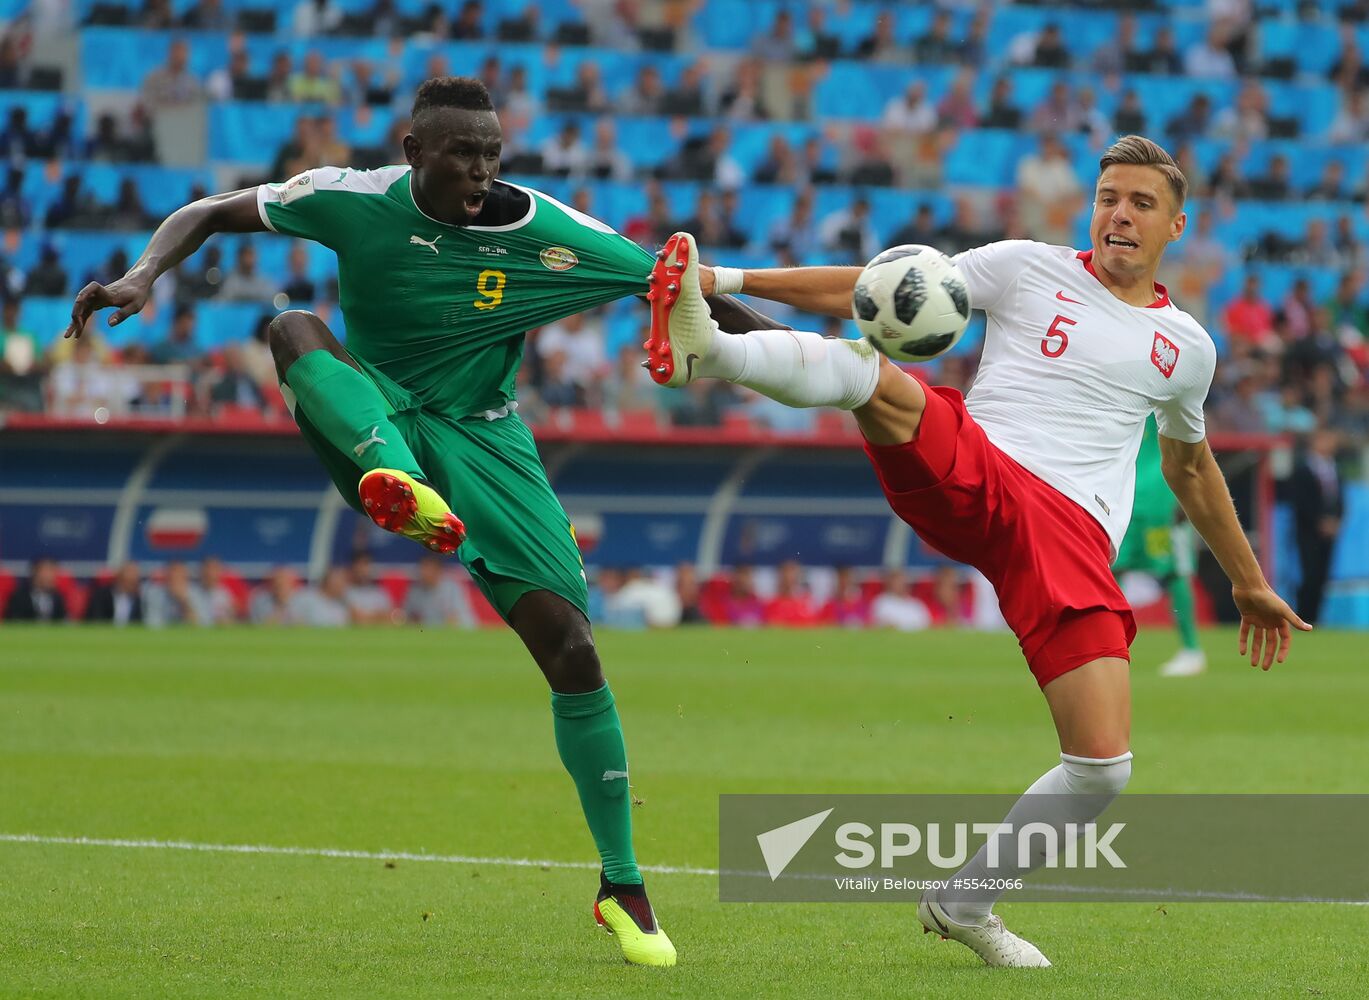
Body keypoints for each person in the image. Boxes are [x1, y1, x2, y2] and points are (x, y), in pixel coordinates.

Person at [62, 74, 766, 970]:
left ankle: (621, 888)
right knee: (292, 326)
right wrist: (141, 273)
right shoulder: (347, 199)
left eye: (491, 153)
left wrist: (823, 375)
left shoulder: (551, 232)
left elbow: (687, 294)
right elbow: (207, 210)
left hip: (484, 441)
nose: (479, 169)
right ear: (413, 153)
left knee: (575, 653)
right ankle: (390, 474)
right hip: (375, 411)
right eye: (461, 151)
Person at [642, 135, 1309, 967]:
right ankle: (712, 350)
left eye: (1140, 203)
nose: (1119, 215)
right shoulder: (1027, 266)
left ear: (1178, 224)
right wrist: (723, 282)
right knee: (871, 372)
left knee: (1102, 770)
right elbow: (874, 290)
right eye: (1107, 197)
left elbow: (1190, 465)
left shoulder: (1187, 348)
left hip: (1068, 540)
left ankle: (961, 903)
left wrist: (1247, 581)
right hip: (982, 470)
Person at [1113, 417, 1205, 677]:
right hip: (1123, 499)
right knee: (1111, 570)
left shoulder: (1161, 387)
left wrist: (1184, 493)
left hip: (1158, 504)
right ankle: (1111, 647)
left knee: (1172, 570)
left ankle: (1191, 649)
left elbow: (1188, 437)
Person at [1288, 427, 1343, 625]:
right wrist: (1319, 521)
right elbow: (1301, 501)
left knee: (1322, 576)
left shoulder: (1334, 467)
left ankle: (1316, 619)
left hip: (1329, 533)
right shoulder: (1303, 468)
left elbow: (1339, 500)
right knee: (1309, 574)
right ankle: (1303, 616)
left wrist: (1336, 521)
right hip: (1309, 532)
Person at [3, 557, 68, 622]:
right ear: (35, 572)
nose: (51, 576)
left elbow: (63, 620)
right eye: (47, 571)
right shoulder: (20, 596)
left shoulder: (57, 597)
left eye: (54, 572)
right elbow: (13, 620)